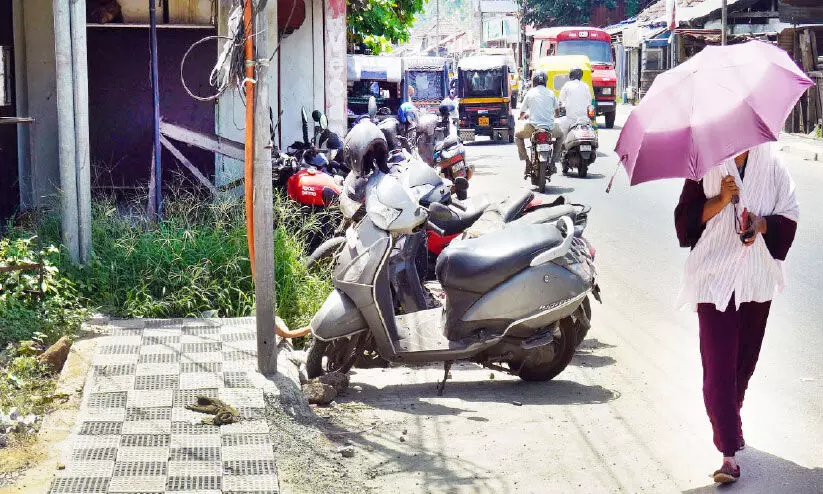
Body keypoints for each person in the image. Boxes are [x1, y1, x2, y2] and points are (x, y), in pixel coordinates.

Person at [674, 142, 799, 484]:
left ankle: (733, 420)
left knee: (743, 362)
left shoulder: (772, 161)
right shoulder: (704, 161)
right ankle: (728, 453)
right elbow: (684, 221)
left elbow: (790, 213)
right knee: (717, 368)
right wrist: (720, 200)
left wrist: (759, 225)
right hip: (714, 278)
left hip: (757, 279)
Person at [515, 71, 562, 176]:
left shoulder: (530, 93)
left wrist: (522, 116)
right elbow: (557, 112)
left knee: (517, 136)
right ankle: (554, 161)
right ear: (545, 81)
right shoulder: (551, 93)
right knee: (561, 135)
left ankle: (527, 161)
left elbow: (522, 113)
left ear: (534, 81)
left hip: (533, 128)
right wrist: (553, 116)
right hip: (549, 128)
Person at [558, 67, 592, 133]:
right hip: (584, 120)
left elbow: (560, 100)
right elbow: (589, 102)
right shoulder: (586, 86)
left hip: (570, 119)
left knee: (562, 134)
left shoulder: (567, 85)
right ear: (581, 76)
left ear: (571, 75)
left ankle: (564, 143)